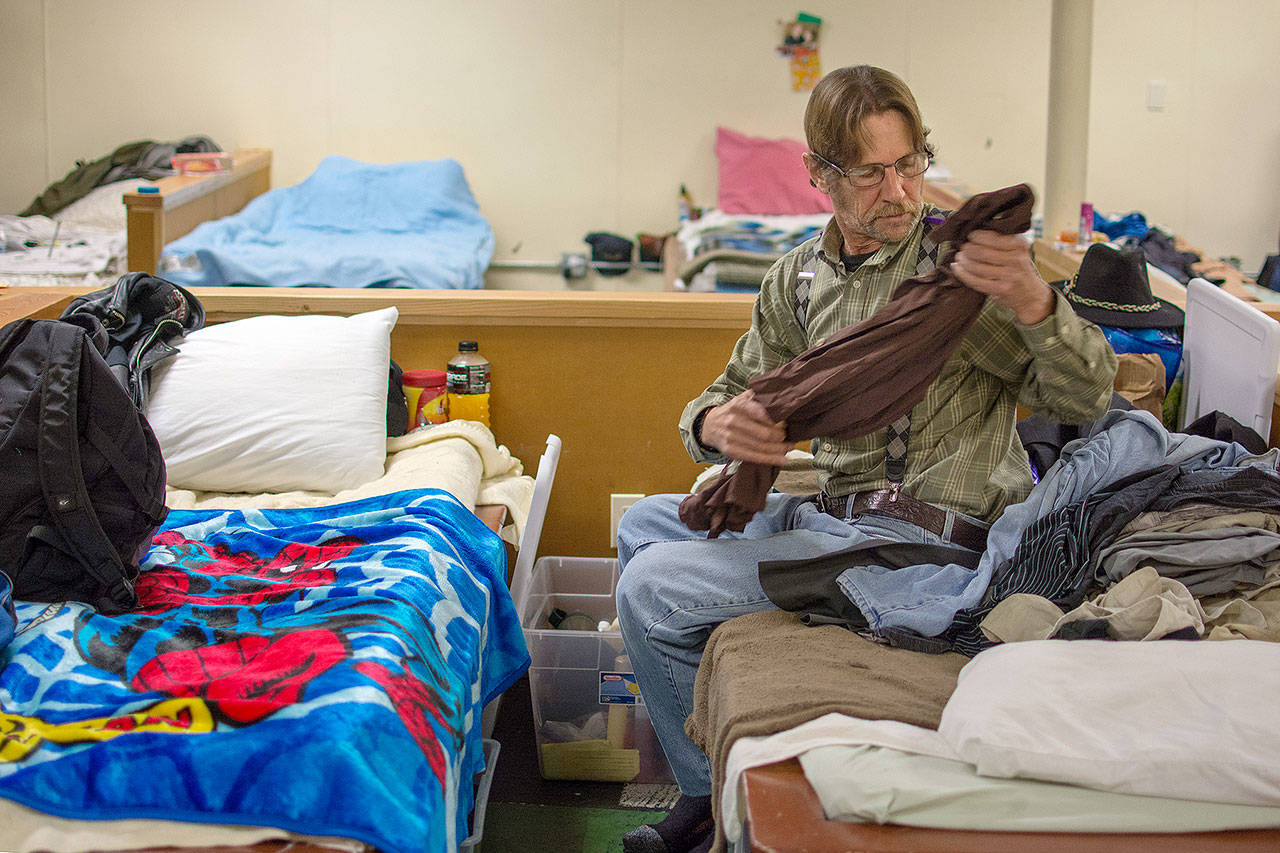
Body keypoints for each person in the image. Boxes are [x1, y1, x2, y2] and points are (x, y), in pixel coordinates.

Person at [616, 65, 1118, 853]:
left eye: (910, 163)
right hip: (832, 515)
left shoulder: (955, 281)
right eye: (872, 172)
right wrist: (721, 425)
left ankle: (697, 800)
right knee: (644, 523)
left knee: (653, 586)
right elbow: (730, 389)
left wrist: (1033, 301)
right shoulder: (799, 279)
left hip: (924, 543)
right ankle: (703, 776)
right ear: (819, 175)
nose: (900, 191)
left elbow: (1090, 394)